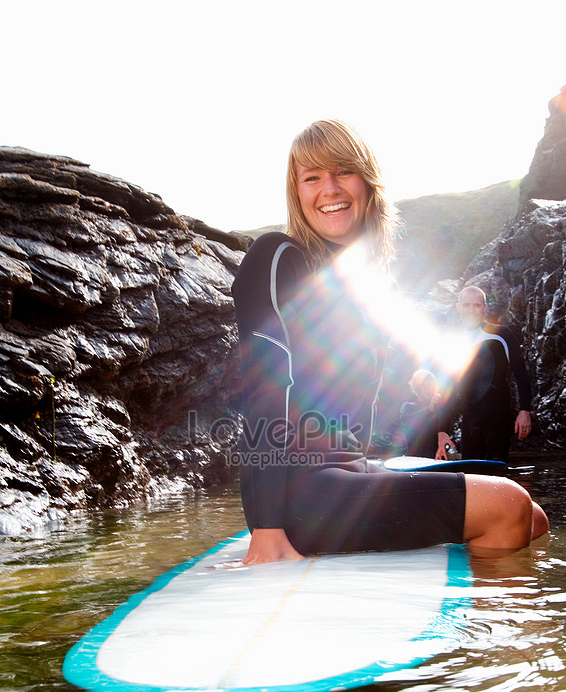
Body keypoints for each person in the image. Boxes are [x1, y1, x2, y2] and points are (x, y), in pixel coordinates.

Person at [231, 119, 548, 565]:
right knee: (508, 505)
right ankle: (480, 634)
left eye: (343, 171)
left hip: (350, 469)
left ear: (366, 179)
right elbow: (263, 389)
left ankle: (476, 610)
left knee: (533, 518)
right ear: (296, 192)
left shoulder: (364, 287)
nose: (330, 189)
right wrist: (267, 530)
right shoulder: (278, 256)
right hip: (300, 490)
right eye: (312, 177)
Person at [439, 286, 533, 464]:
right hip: (469, 420)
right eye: (466, 305)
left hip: (497, 418)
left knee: (497, 474)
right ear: (459, 307)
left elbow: (521, 373)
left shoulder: (501, 335)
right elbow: (447, 387)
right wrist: (442, 430)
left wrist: (524, 410)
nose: (471, 310)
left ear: (484, 308)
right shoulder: (452, 341)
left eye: (476, 305)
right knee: (471, 476)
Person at [394, 369, 445, 459]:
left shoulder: (438, 409)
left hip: (437, 461)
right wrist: (429, 409)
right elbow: (408, 421)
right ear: (416, 387)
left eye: (430, 385)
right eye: (424, 385)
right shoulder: (408, 406)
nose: (428, 388)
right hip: (415, 461)